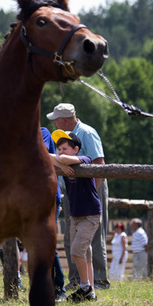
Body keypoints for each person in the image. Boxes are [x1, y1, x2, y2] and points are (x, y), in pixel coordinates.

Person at [46, 103, 109, 289]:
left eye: (56, 120)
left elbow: (99, 164)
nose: (55, 124)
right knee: (71, 238)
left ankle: (98, 281)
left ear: (63, 120)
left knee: (94, 236)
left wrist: (92, 194)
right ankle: (77, 280)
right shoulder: (64, 140)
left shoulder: (87, 133)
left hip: (92, 187)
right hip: (72, 190)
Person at [50, 129, 101, 302]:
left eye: (65, 148)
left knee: (76, 251)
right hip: (75, 215)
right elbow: (47, 156)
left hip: (90, 214)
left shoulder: (85, 160)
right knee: (84, 253)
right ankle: (90, 292)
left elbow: (59, 159)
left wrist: (61, 162)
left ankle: (85, 286)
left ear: (76, 149)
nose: (61, 152)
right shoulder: (63, 163)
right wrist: (62, 165)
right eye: (59, 149)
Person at [41, 126, 68, 302]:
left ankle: (59, 288)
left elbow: (39, 155)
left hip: (47, 196)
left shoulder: (41, 132)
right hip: (29, 197)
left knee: (47, 242)